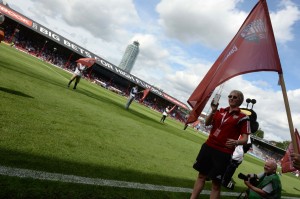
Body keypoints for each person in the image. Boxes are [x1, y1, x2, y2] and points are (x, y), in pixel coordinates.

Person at [190, 90, 250, 199]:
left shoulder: (243, 117)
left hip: (223, 152)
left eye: (235, 97)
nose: (231, 98)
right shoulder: (220, 111)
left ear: (240, 100)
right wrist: (213, 111)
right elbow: (207, 123)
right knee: (201, 176)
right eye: (230, 96)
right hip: (208, 146)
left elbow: (245, 139)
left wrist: (236, 142)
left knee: (216, 184)